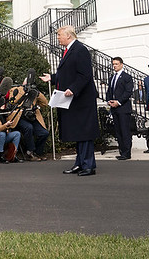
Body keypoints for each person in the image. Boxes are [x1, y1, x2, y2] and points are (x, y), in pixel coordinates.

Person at [40, 25, 99, 176]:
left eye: (59, 35)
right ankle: (80, 163)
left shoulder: (80, 50)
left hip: (82, 100)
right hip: (74, 101)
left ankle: (88, 166)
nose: (58, 38)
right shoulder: (68, 51)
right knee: (78, 133)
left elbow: (85, 75)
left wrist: (73, 88)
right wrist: (52, 78)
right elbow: (67, 73)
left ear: (68, 36)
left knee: (84, 133)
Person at [106, 57, 133, 160]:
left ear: (122, 64)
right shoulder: (112, 77)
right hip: (114, 108)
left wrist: (118, 102)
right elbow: (110, 90)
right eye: (113, 64)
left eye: (116, 64)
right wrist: (109, 100)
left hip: (123, 108)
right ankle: (122, 151)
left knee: (125, 130)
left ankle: (127, 153)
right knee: (118, 131)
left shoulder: (127, 77)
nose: (114, 66)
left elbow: (128, 92)